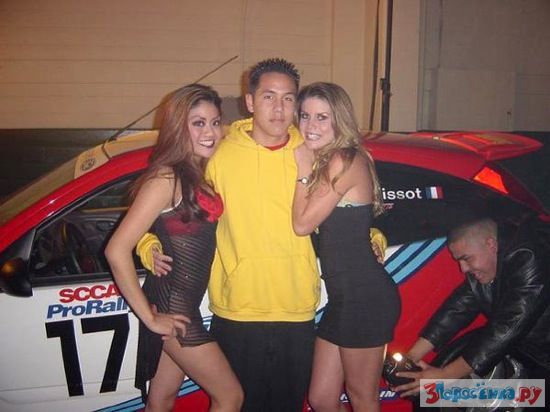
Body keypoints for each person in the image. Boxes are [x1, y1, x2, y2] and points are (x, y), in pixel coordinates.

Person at [104, 84, 243, 412]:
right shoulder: (166, 179)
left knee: (161, 400)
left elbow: (164, 227)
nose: (210, 132)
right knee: (230, 396)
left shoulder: (197, 172)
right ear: (179, 127)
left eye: (215, 122)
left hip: (182, 305)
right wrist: (150, 319)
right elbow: (115, 249)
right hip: (173, 306)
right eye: (198, 123)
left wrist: (149, 242)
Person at [292, 82, 401, 412]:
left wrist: (302, 169)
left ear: (339, 120)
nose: (311, 125)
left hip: (365, 298)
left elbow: (302, 224)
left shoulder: (344, 158)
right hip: (344, 299)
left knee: (362, 396)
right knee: (322, 399)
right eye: (305, 116)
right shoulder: (331, 160)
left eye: (322, 117)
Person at [393, 217, 550, 398]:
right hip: (530, 355)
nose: (463, 268)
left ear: (491, 244)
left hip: (542, 355)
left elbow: (510, 324)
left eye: (466, 259)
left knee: (534, 399)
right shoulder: (488, 266)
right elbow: (458, 308)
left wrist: (445, 375)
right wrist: (411, 357)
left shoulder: (529, 255)